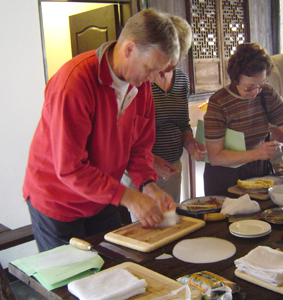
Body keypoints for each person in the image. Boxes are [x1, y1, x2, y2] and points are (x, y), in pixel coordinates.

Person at [23, 8, 180, 252]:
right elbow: (70, 168)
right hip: (59, 203)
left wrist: (148, 186)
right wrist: (128, 198)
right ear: (129, 49)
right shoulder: (74, 84)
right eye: (150, 68)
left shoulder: (140, 86)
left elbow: (139, 150)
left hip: (102, 197)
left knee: (115, 271)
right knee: (72, 284)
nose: (151, 79)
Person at [203, 43, 283, 197]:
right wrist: (256, 153)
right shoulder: (219, 102)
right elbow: (215, 157)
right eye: (248, 87)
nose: (255, 92)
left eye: (259, 85)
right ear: (235, 79)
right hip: (225, 175)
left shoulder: (266, 93)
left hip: (258, 170)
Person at [122, 15, 206, 204]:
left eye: (172, 62)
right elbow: (126, 136)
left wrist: (190, 142)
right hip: (141, 170)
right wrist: (151, 160)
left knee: (172, 222)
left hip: (172, 167)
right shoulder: (140, 80)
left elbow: (182, 123)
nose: (164, 69)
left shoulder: (182, 80)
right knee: (147, 228)